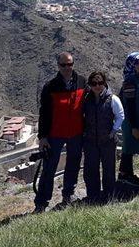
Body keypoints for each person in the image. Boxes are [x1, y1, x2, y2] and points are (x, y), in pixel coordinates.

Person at [34, 52, 86, 213]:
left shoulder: (82, 82)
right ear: (58, 66)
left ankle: (68, 195)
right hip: (55, 134)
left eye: (69, 64)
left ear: (73, 64)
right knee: (49, 168)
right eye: (63, 65)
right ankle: (41, 203)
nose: (67, 68)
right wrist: (42, 137)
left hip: (76, 133)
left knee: (73, 165)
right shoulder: (50, 86)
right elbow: (44, 113)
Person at [82, 71, 124, 204]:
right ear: (90, 84)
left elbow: (120, 116)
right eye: (94, 83)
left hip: (107, 141)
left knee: (108, 170)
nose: (97, 86)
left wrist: (113, 130)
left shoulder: (113, 99)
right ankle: (93, 197)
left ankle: (109, 196)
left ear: (104, 83)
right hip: (90, 141)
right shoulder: (86, 99)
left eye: (100, 83)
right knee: (91, 170)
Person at [118, 52, 139, 186]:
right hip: (131, 121)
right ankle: (124, 175)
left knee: (130, 148)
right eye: (137, 63)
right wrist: (134, 127)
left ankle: (128, 174)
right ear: (131, 65)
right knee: (128, 148)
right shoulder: (129, 81)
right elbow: (129, 106)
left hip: (137, 119)